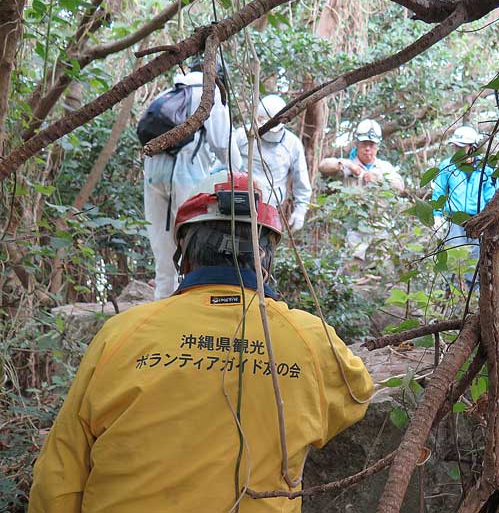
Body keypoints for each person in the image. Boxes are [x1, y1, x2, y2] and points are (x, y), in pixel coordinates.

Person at [29, 171, 374, 513]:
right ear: (265, 258)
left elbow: (58, 478)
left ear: (183, 252)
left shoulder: (123, 334)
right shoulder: (311, 341)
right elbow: (357, 395)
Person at [143, 58, 238, 300]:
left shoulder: (170, 91)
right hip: (185, 174)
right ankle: (189, 305)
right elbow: (223, 144)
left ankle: (162, 303)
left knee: (162, 244)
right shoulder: (210, 93)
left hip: (153, 173)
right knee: (192, 242)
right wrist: (240, 176)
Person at [432, 125, 498, 288]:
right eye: (456, 146)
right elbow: (439, 190)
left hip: (478, 221)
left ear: (472, 148)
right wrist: (437, 215)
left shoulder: (485, 168)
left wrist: (491, 220)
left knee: (475, 263)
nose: (457, 150)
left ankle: (471, 299)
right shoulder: (447, 165)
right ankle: (448, 299)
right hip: (454, 221)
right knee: (453, 261)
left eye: (461, 147)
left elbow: (492, 195)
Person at [235, 94, 311, 233]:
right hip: (236, 201)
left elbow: (301, 181)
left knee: (262, 249)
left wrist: (300, 211)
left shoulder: (292, 144)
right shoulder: (242, 135)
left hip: (269, 209)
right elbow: (221, 165)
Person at [318, 119, 404, 192]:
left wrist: (378, 179)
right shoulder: (348, 166)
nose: (367, 148)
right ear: (357, 144)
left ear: (377, 146)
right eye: (364, 144)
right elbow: (323, 166)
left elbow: (399, 187)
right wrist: (349, 165)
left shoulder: (385, 167)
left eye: (371, 145)